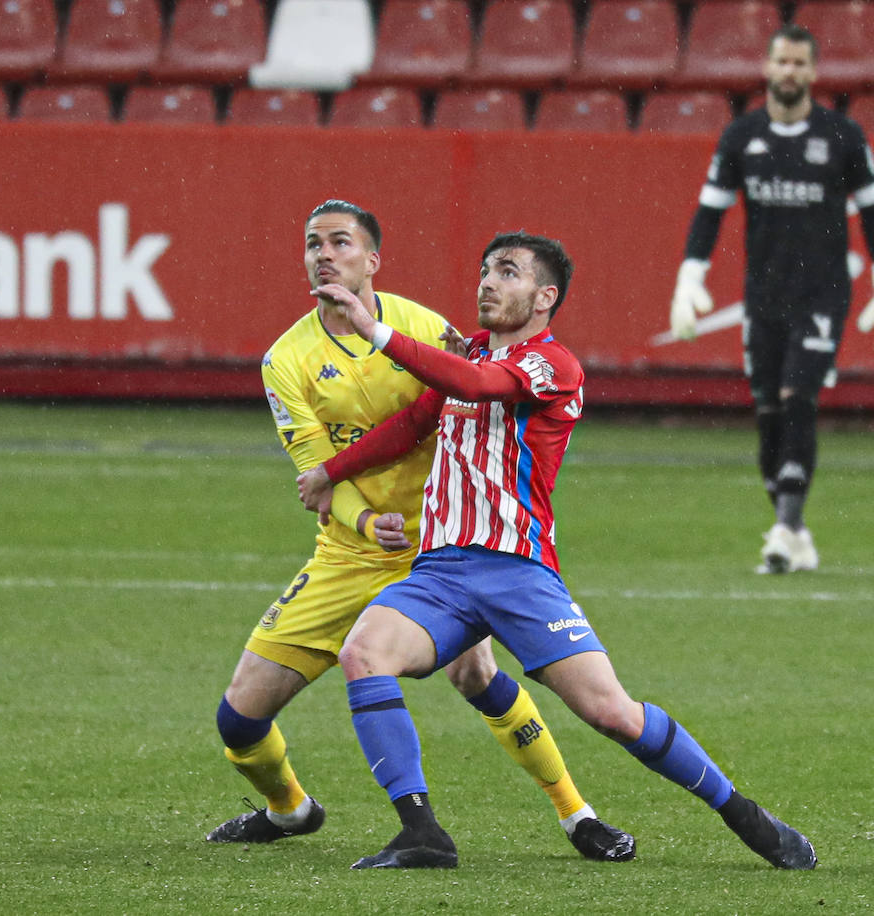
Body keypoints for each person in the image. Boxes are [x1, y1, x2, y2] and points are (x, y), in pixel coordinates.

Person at [299, 231, 817, 871]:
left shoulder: (551, 364)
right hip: (440, 571)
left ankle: (743, 813)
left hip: (518, 572)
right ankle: (421, 832)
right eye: (486, 269)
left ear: (545, 297)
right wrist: (331, 471)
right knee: (364, 653)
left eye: (508, 273)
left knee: (613, 714)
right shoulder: (471, 355)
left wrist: (375, 332)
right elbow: (412, 424)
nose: (488, 282)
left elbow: (480, 385)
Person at [206, 201, 634, 864]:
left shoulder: (426, 329)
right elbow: (317, 477)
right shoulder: (285, 360)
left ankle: (576, 814)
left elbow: (472, 397)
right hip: (349, 554)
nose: (325, 253)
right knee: (239, 718)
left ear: (372, 260)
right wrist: (361, 519)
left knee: (477, 675)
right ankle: (290, 811)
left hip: (442, 553)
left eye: (341, 242)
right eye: (313, 243)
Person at [668, 23, 874, 574]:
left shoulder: (843, 136)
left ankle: (781, 530)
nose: (790, 73)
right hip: (764, 295)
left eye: (800, 64)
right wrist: (690, 277)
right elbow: (710, 211)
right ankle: (794, 528)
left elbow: (873, 212)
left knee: (799, 397)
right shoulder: (741, 137)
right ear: (768, 68)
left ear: (814, 72)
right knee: (769, 412)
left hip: (823, 291)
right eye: (782, 62)